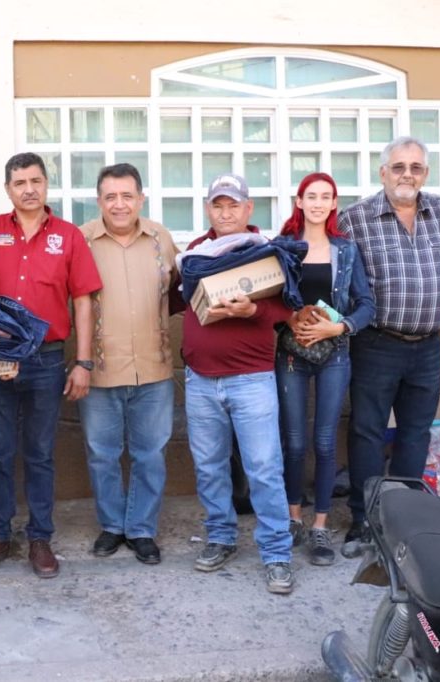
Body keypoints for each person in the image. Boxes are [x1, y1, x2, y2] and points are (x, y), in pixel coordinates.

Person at [0, 152, 102, 578]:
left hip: (46, 358)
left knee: (40, 453)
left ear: (46, 185)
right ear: (8, 189)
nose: (28, 189)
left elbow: (83, 299)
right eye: (19, 182)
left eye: (36, 181)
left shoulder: (68, 236)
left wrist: (83, 361)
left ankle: (40, 537)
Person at [337, 136, 440, 558]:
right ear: (383, 172)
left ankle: (407, 523)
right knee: (367, 432)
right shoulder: (356, 218)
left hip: (427, 345)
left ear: (425, 173)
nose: (407, 174)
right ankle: (364, 520)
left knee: (415, 433)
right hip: (377, 344)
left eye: (416, 167)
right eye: (398, 167)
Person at [183, 174, 294, 594]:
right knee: (209, 466)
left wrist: (253, 312)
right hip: (200, 380)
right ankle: (221, 537)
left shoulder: (266, 251)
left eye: (234, 205)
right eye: (218, 205)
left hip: (251, 380)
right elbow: (180, 303)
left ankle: (277, 553)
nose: (225, 213)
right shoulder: (196, 253)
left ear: (248, 209)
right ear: (207, 209)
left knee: (264, 468)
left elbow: (286, 311)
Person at [77, 163, 179, 564]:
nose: (119, 205)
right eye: (110, 197)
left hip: (154, 367)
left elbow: (178, 289)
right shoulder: (81, 240)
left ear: (141, 198)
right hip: (100, 368)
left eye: (127, 196)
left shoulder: (160, 238)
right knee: (101, 453)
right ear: (98, 201)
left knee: (150, 453)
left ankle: (141, 528)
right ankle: (112, 526)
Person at [274, 173, 375, 566]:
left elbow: (366, 304)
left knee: (325, 441)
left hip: (335, 353)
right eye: (310, 196)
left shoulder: (345, 249)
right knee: (294, 441)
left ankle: (319, 525)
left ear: (334, 204)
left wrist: (340, 327)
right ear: (299, 201)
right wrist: (288, 318)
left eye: (325, 197)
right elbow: (268, 301)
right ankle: (293, 519)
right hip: (292, 354)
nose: (317, 203)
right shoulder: (282, 247)